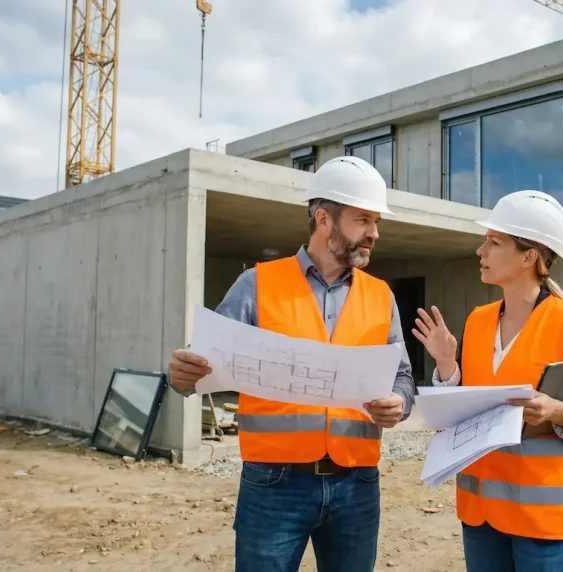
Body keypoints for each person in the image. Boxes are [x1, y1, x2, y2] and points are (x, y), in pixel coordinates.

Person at [166, 155, 415, 572]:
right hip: (274, 484)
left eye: (376, 222)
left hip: (357, 483)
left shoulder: (380, 295)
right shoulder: (257, 285)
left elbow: (403, 377)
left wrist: (398, 402)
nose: (374, 233)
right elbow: (201, 365)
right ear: (323, 219)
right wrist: (182, 375)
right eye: (363, 220)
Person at [412, 190, 563, 572]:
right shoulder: (477, 321)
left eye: (494, 242)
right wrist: (445, 367)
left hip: (545, 519)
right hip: (482, 514)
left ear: (529, 256)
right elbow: (467, 405)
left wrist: (557, 411)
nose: (480, 251)